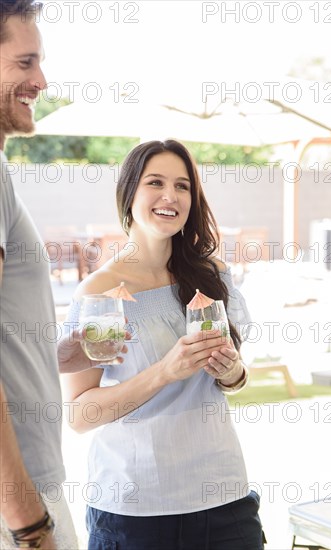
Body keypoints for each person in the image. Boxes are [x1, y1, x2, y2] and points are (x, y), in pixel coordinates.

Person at [61, 139, 266, 549]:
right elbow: (81, 415)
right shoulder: (102, 292)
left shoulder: (211, 275)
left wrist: (231, 372)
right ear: (129, 192)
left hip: (223, 498)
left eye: (183, 186)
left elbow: (237, 379)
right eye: (155, 182)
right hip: (135, 510)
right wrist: (164, 372)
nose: (170, 196)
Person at [0, 1, 100, 547]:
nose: (41, 80)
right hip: (20, 499)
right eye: (25, 62)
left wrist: (57, 354)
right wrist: (28, 523)